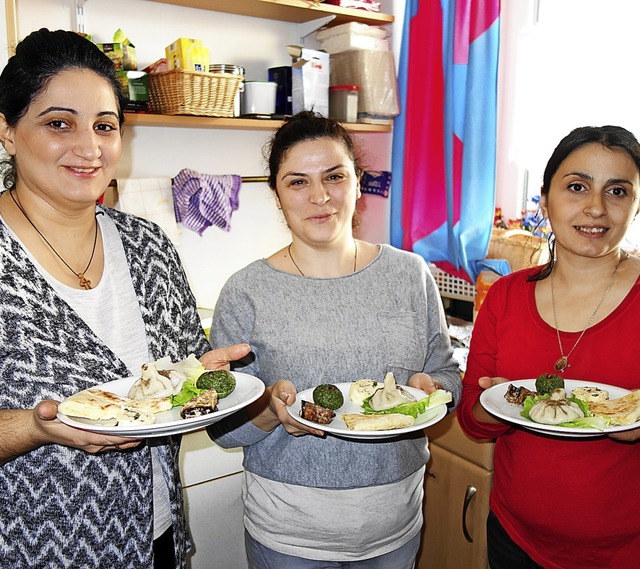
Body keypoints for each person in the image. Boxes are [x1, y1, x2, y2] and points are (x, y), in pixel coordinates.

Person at [0, 28, 250, 568]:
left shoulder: (148, 244)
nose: (89, 149)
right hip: (36, 550)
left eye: (105, 126)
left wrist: (201, 377)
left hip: (157, 537)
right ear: (7, 130)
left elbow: (183, 377)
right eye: (59, 123)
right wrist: (31, 427)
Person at [207, 111, 461, 568]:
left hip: (395, 524)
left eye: (335, 176)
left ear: (359, 182)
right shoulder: (245, 291)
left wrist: (434, 388)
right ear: (277, 196)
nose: (320, 196)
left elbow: (447, 373)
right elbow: (223, 428)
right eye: (297, 182)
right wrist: (270, 411)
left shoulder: (410, 275)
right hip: (288, 536)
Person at [456, 125, 640, 569]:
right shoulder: (505, 296)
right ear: (544, 199)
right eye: (577, 186)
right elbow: (472, 421)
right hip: (515, 539)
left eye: (617, 191)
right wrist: (493, 403)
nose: (596, 207)